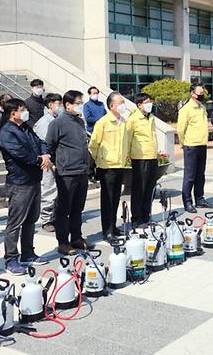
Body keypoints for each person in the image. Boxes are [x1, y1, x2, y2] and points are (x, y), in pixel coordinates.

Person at [0, 98, 51, 274]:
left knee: (31, 220)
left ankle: (28, 253)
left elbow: (40, 141)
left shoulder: (25, 127)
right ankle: (11, 259)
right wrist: (39, 159)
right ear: (13, 113)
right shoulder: (7, 132)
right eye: (22, 109)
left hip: (34, 179)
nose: (25, 112)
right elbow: (20, 154)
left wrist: (45, 154)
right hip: (19, 182)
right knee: (15, 223)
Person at [47, 91, 95, 255]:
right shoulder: (57, 124)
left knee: (77, 208)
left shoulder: (80, 122)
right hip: (66, 172)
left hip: (81, 170)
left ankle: (77, 237)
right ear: (68, 105)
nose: (81, 105)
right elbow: (49, 146)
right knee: (64, 209)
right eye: (78, 102)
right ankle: (63, 242)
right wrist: (54, 164)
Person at [89, 92, 129, 241]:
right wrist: (98, 160)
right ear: (112, 106)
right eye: (120, 103)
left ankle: (113, 226)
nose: (123, 105)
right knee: (107, 200)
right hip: (107, 167)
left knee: (116, 198)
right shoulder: (103, 122)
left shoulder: (123, 122)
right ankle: (107, 231)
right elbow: (93, 144)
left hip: (120, 165)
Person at [177, 84, 213, 214]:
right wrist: (184, 142)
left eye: (202, 92)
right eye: (199, 92)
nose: (202, 94)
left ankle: (200, 199)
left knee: (200, 174)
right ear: (192, 94)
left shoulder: (202, 108)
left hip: (202, 145)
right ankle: (187, 202)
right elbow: (180, 129)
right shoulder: (186, 109)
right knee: (190, 176)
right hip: (191, 146)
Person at [124, 93, 158, 226]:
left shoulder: (151, 117)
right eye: (146, 102)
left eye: (150, 101)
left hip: (152, 157)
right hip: (140, 158)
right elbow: (127, 139)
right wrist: (127, 155)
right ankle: (136, 218)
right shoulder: (133, 119)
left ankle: (146, 216)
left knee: (150, 188)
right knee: (139, 189)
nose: (150, 104)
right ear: (139, 105)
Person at [34, 93, 63, 233]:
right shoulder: (45, 122)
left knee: (57, 190)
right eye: (59, 104)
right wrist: (50, 161)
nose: (61, 106)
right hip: (48, 162)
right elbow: (44, 145)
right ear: (51, 105)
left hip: (58, 160)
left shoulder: (57, 119)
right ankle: (46, 219)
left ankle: (56, 216)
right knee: (49, 189)